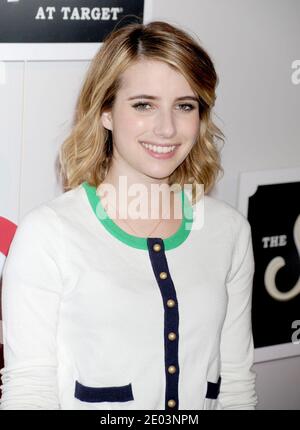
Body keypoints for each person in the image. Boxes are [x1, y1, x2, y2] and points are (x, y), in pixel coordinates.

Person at [0, 20, 257, 410]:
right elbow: (29, 392)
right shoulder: (49, 235)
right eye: (143, 105)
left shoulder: (229, 231)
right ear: (105, 111)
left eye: (185, 106)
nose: (167, 128)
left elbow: (236, 383)